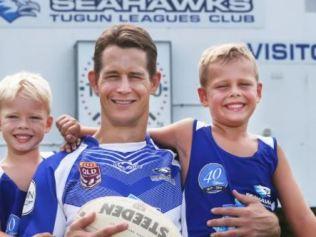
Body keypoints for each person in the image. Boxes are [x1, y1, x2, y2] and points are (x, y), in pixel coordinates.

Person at [56, 43, 285, 237]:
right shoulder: (189, 135)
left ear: (259, 91)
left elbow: (305, 224)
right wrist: (83, 132)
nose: (234, 92)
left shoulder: (270, 150)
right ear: (203, 96)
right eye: (222, 86)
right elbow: (131, 134)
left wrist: (274, 226)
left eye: (244, 84)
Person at [19, 24, 183, 237]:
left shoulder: (183, 166)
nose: (124, 88)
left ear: (154, 82)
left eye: (135, 76)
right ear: (94, 82)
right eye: (113, 76)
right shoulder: (56, 169)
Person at [0, 72, 54, 237]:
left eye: (34, 118)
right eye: (13, 117)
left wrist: (79, 131)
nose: (23, 125)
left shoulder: (59, 166)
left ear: (48, 124)